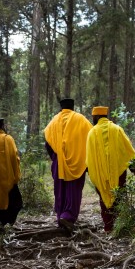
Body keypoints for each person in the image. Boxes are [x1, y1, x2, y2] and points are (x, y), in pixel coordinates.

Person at [85, 106, 135, 233]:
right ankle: (119, 226)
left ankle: (108, 227)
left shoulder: (92, 133)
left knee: (104, 198)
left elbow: (89, 156)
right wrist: (134, 167)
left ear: (96, 117)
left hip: (100, 173)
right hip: (117, 172)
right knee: (118, 197)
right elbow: (128, 150)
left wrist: (88, 169)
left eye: (93, 117)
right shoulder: (117, 129)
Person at [44, 98, 92, 231]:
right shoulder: (81, 120)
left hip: (59, 162)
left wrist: (56, 158)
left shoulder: (53, 121)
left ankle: (61, 217)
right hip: (77, 162)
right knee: (74, 191)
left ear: (61, 107)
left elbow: (47, 143)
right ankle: (68, 216)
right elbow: (90, 139)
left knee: (60, 191)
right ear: (72, 107)